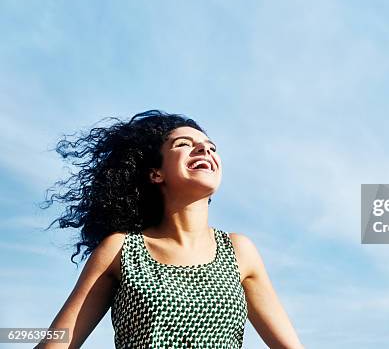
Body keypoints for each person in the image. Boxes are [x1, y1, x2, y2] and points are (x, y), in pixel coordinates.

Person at [36, 110, 304, 348]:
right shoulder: (120, 250)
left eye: (210, 147)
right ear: (156, 173)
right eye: (184, 144)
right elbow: (58, 341)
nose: (204, 150)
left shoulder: (239, 251)